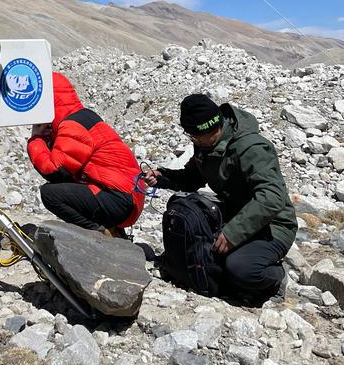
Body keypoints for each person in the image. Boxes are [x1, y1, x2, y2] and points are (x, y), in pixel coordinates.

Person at [144, 93, 297, 304]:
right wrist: (163, 177)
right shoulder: (206, 145)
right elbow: (192, 178)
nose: (192, 140)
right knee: (196, 247)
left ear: (210, 129)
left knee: (239, 268)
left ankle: (276, 279)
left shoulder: (251, 148)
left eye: (193, 136)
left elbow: (272, 197)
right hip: (235, 214)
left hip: (273, 225)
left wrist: (233, 233)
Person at [27, 72, 144, 233]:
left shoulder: (73, 126)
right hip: (125, 196)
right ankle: (110, 229)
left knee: (50, 194)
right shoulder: (79, 118)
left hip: (120, 198)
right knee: (63, 187)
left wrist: (36, 139)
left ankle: (98, 232)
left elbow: (55, 171)